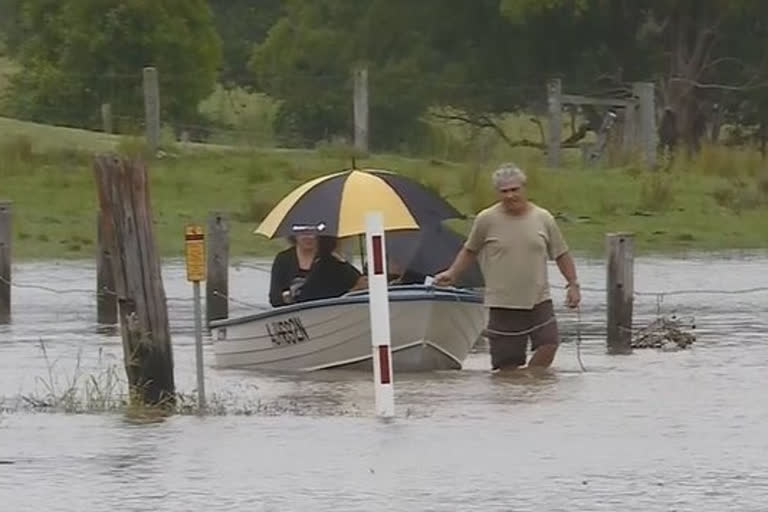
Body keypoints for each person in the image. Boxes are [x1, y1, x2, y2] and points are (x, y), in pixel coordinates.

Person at [434, 163, 581, 371]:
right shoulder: (486, 219)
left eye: (515, 190)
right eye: (504, 191)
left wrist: (573, 284)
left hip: (538, 299)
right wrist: (452, 273)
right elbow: (470, 250)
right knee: (507, 365)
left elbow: (561, 253)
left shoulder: (543, 218)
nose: (510, 196)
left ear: (524, 189)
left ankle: (531, 386)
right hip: (503, 302)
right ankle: (512, 395)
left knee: (549, 344)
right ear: (498, 193)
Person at [296, 235, 367, 302]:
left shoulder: (337, 261)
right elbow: (324, 296)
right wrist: (355, 289)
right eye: (346, 238)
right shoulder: (327, 265)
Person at [268, 232, 318, 307]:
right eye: (303, 232)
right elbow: (274, 298)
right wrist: (290, 296)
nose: (310, 237)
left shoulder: (330, 261)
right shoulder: (283, 259)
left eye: (314, 232)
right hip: (290, 313)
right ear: (294, 235)